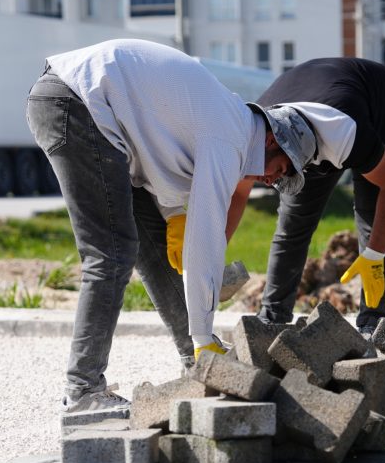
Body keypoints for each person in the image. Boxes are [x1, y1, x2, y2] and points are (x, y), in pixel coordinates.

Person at [26, 39, 314, 413]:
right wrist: (203, 333)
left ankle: (197, 364)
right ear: (273, 141)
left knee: (154, 251)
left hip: (98, 113)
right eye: (283, 170)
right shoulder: (232, 138)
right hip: (77, 103)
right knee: (111, 253)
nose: (274, 181)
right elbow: (206, 240)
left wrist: (173, 213)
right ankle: (83, 390)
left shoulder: (230, 125)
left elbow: (160, 149)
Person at [227, 58, 385, 334]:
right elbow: (237, 196)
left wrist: (374, 254)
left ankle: (373, 322)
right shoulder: (250, 139)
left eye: (274, 172)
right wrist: (214, 254)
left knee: (373, 216)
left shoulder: (343, 133)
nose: (269, 182)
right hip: (307, 108)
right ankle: (272, 318)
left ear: (273, 144)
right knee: (292, 223)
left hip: (376, 101)